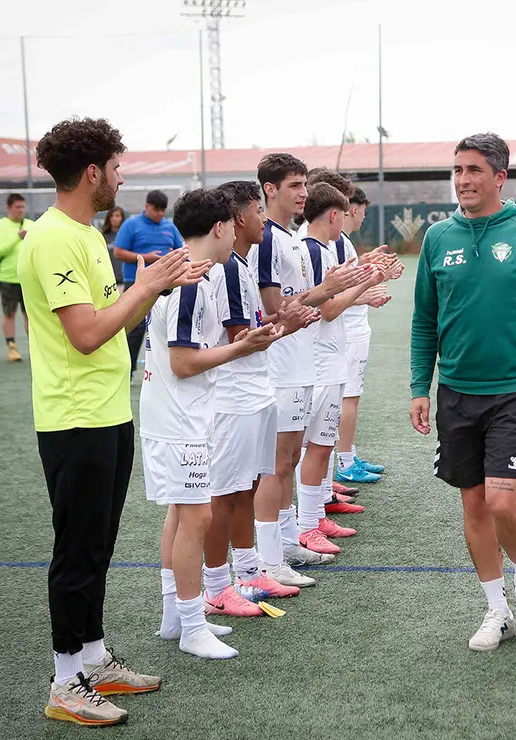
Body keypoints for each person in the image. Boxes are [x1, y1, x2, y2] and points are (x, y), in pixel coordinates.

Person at [20, 117, 207, 726]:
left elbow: (116, 325)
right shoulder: (53, 239)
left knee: (97, 545)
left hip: (107, 412)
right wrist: (146, 281)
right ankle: (65, 682)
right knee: (76, 552)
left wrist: (159, 286)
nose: (123, 178)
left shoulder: (87, 234)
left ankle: (94, 660)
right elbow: (85, 335)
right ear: (94, 172)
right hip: (75, 420)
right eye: (119, 167)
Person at [410, 133, 516, 651]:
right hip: (455, 394)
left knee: (502, 502)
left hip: (513, 390)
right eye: (457, 170)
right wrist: (421, 386)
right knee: (474, 507)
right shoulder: (438, 238)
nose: (463, 180)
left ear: (499, 177)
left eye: (473, 170)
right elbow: (424, 321)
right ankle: (496, 608)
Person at [141, 188, 283, 660]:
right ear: (221, 226)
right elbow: (183, 363)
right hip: (178, 419)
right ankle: (191, 624)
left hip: (180, 416)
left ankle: (173, 617)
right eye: (233, 225)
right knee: (196, 515)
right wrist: (241, 349)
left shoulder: (189, 274)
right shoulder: (189, 281)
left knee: (182, 514)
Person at [252, 153, 368, 571]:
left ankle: (286, 543)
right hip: (283, 368)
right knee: (277, 465)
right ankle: (267, 558)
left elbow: (299, 305)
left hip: (302, 364)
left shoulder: (289, 239)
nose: (303, 193)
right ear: (270, 189)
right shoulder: (268, 238)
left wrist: (334, 289)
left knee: (284, 463)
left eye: (304, 185)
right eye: (295, 185)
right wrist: (329, 289)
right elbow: (275, 311)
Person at [202, 180, 314, 609]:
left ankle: (250, 573)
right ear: (238, 219)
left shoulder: (241, 263)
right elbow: (240, 337)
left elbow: (252, 327)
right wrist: (285, 325)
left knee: (246, 487)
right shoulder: (229, 267)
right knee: (224, 493)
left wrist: (284, 322)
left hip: (254, 390)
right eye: (258, 211)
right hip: (233, 398)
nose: (264, 219)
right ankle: (217, 588)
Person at [336, 185, 401, 485]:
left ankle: (347, 456)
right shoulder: (334, 241)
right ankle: (345, 461)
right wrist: (371, 284)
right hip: (345, 329)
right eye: (363, 209)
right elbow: (333, 290)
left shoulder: (344, 242)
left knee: (350, 397)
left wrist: (368, 266)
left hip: (350, 328)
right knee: (348, 398)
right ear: (354, 208)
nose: (363, 216)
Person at [112, 190, 184, 377]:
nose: (160, 213)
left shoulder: (170, 227)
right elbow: (118, 252)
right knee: (133, 331)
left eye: (163, 210)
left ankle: (165, 372)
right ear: (147, 206)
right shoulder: (131, 225)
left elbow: (181, 252)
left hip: (166, 287)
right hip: (136, 285)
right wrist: (146, 258)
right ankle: (125, 372)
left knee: (167, 328)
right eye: (156, 209)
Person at [0, 193, 34, 362]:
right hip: (7, 278)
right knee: (9, 314)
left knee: (30, 314)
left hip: (29, 277)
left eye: (23, 207)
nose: (21, 210)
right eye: (17, 207)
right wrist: (17, 238)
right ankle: (11, 347)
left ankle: (34, 347)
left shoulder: (31, 225)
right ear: (9, 208)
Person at [100, 206, 127, 288]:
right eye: (111, 216)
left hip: (125, 280)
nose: (114, 218)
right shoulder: (102, 236)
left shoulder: (127, 236)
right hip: (109, 281)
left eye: (117, 216)